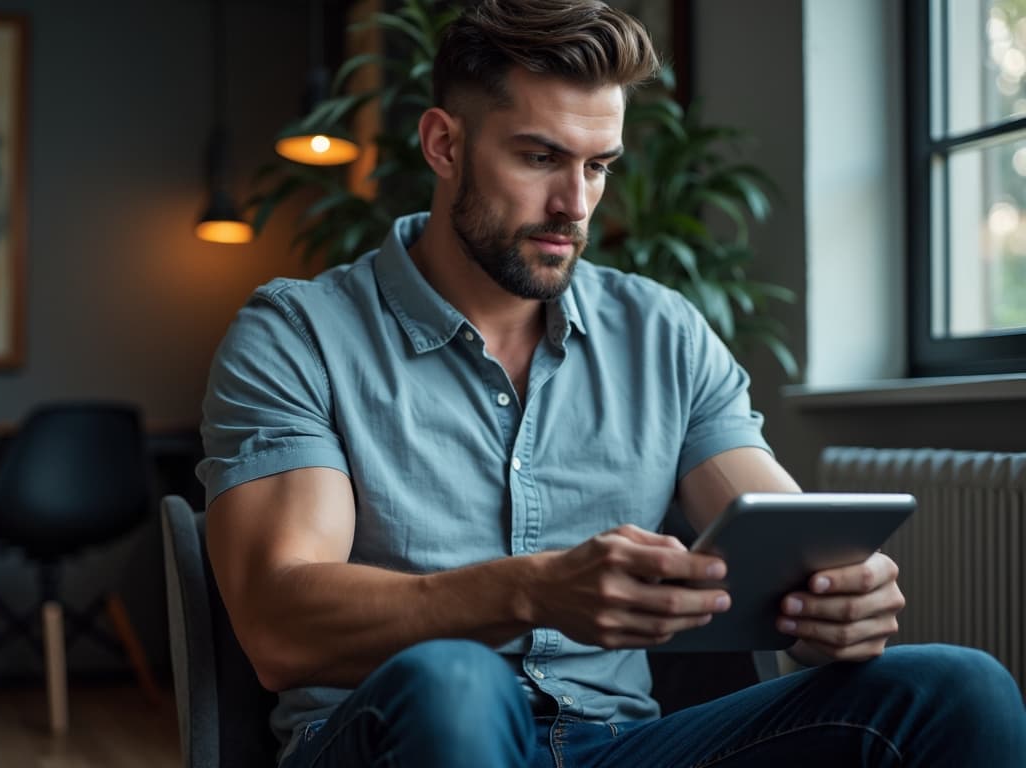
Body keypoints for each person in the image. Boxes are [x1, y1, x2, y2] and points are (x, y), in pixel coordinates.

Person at [197, 1, 1026, 765]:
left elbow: (783, 544)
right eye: (540, 157)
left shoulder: (662, 333)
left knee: (961, 690)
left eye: (599, 166)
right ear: (444, 145)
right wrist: (529, 592)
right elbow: (279, 622)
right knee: (454, 682)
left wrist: (834, 604)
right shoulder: (300, 333)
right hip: (391, 736)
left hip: (614, 746)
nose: (575, 204)